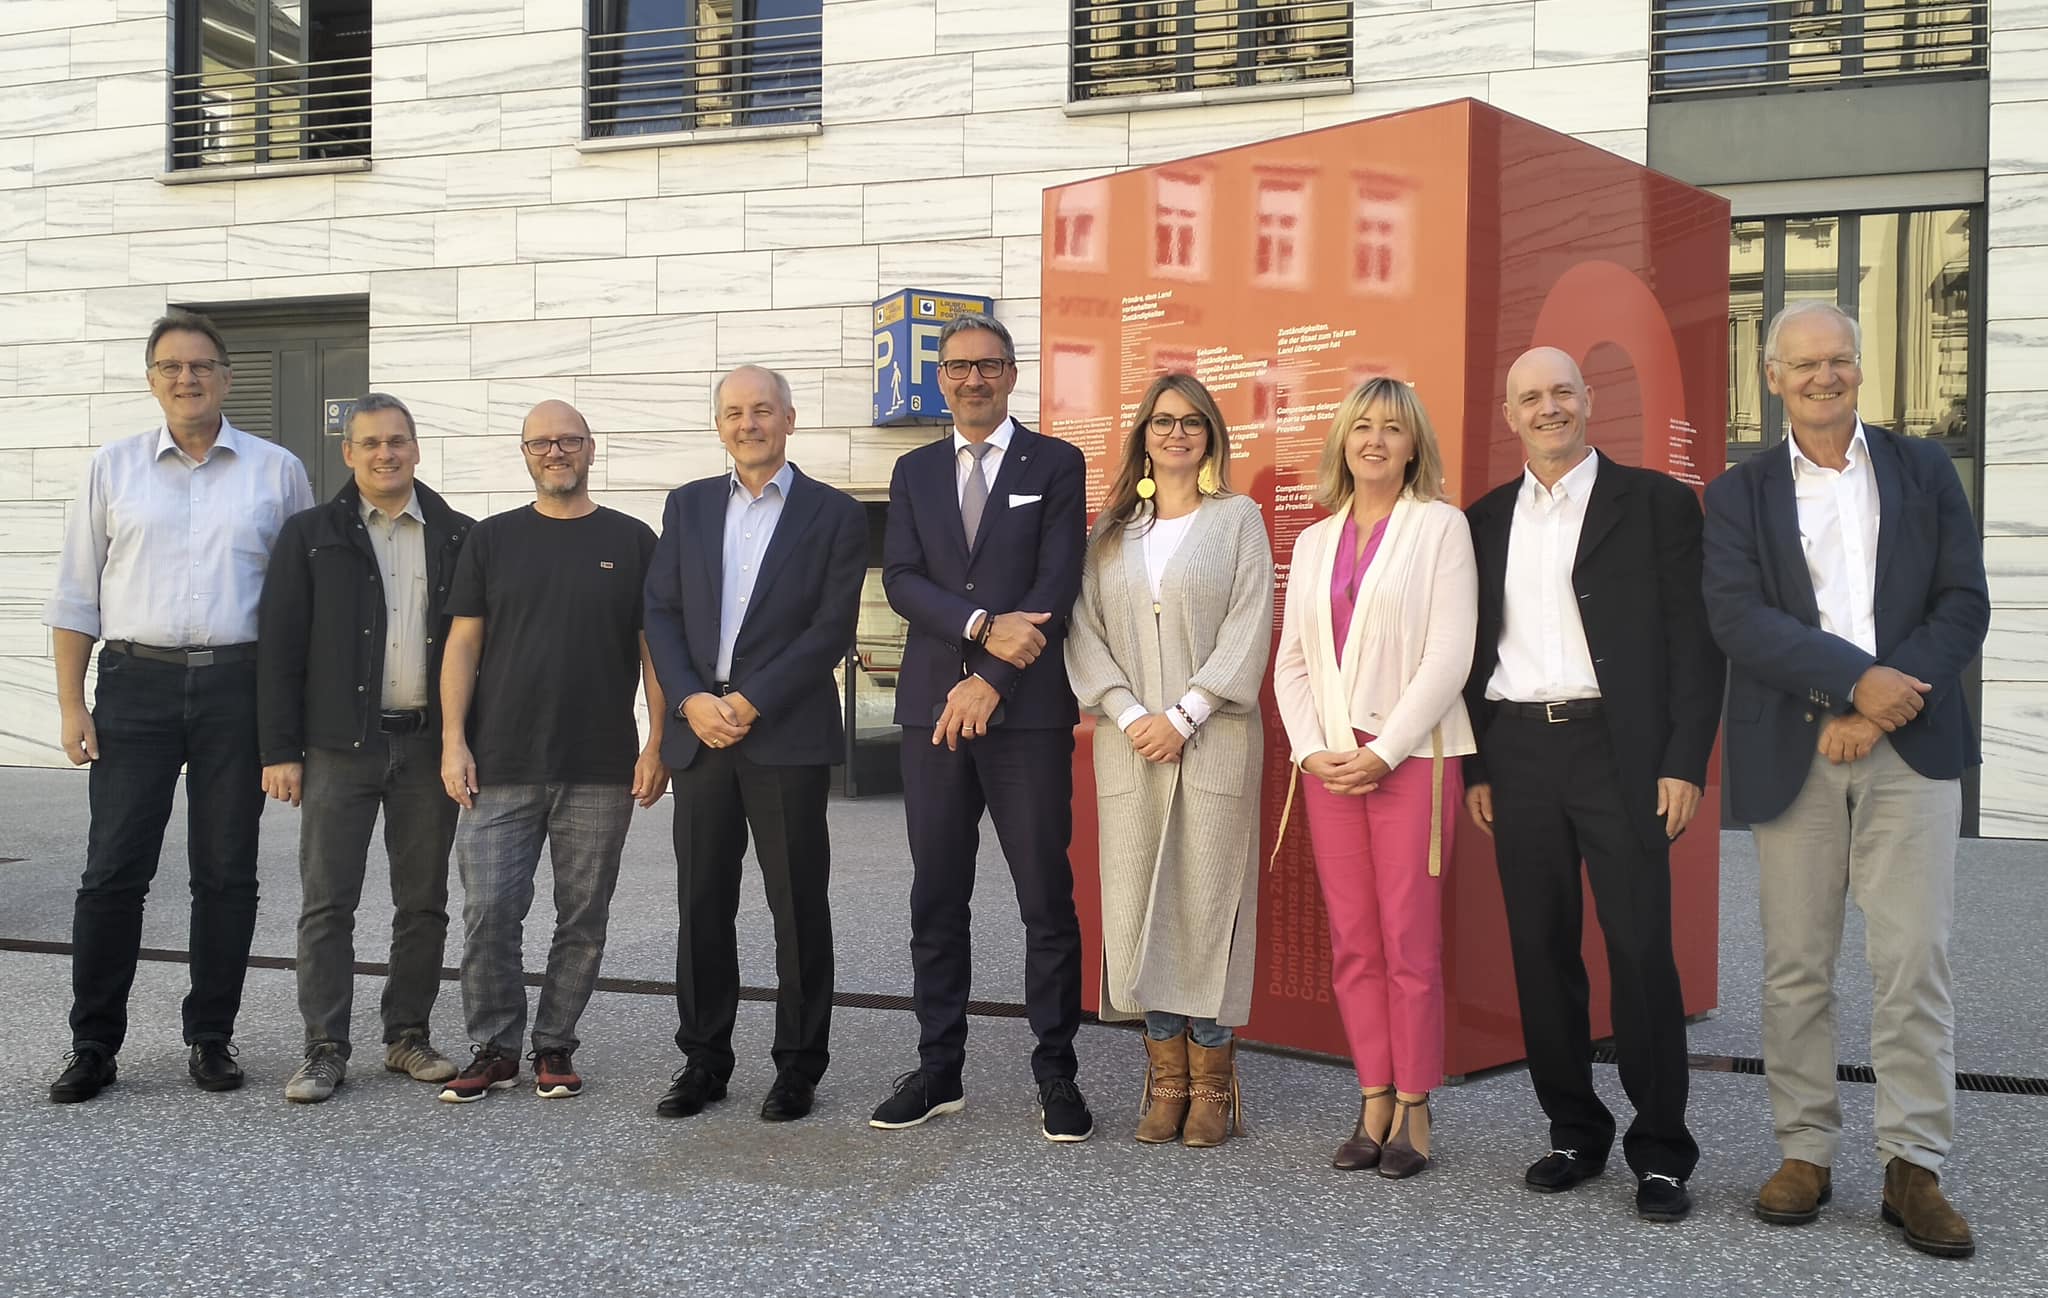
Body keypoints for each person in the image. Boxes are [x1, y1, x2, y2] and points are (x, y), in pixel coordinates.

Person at [1702, 301, 1989, 1259]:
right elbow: (1738, 618)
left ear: (1860, 370)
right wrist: (1848, 683)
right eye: (1804, 365)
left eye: (1840, 361)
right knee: (1794, 968)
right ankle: (1805, 1151)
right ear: (1772, 379)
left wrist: (1876, 706)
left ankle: (1914, 1166)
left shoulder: (1923, 469)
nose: (1825, 377)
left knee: (1914, 962)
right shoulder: (1737, 495)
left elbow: (1963, 602)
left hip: (1908, 744)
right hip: (1797, 750)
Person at [1461, 347, 1722, 1221]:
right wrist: (1477, 765)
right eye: (1529, 397)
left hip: (1622, 752)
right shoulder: (1485, 518)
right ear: (1510, 415)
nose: (1548, 408)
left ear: (1589, 399)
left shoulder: (1654, 503)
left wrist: (1685, 760)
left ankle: (1661, 1151)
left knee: (1642, 949)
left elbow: (1695, 640)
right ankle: (1573, 1128)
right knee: (1540, 951)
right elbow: (1469, 654)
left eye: (1561, 392)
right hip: (1520, 752)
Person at [44, 310, 314, 1103]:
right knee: (112, 872)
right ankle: (93, 1044)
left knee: (226, 873)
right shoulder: (112, 468)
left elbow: (300, 605)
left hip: (241, 686)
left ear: (228, 378)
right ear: (152, 378)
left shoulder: (276, 471)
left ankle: (211, 1037)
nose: (186, 378)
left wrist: (288, 723)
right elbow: (74, 594)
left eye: (201, 365)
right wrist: (71, 705)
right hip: (136, 684)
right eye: (171, 366)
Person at [872, 313, 1094, 1142]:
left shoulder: (1055, 463)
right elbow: (899, 579)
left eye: (989, 366)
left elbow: (1056, 582)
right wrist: (975, 631)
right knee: (936, 895)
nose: (973, 379)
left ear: (1012, 373)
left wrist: (992, 679)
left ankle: (1057, 1073)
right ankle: (939, 1070)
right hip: (933, 712)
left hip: (1026, 714)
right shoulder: (914, 471)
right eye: (959, 367)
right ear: (940, 379)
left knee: (1045, 896)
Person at [643, 366, 866, 1123]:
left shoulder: (834, 513)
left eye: (762, 410)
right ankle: (703, 1061)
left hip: (785, 735)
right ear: (719, 425)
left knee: (796, 905)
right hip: (700, 736)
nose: (749, 423)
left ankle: (798, 1065)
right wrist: (691, 700)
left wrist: (748, 699)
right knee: (702, 904)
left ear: (790, 419)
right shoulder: (690, 505)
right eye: (734, 412)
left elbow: (831, 628)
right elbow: (661, 613)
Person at [435, 400, 669, 1104]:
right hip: (498, 761)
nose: (555, 451)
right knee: (488, 914)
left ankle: (554, 1045)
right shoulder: (491, 539)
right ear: (526, 454)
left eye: (568, 440)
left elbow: (652, 648)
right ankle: (494, 1045)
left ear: (591, 449)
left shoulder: (633, 541)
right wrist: (452, 741)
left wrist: (657, 740)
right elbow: (463, 645)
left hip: (599, 763)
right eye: (541, 442)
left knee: (583, 916)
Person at [1272, 378, 1476, 1179]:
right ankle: (1372, 1097)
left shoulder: (1440, 528)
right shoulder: (1317, 541)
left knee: (1409, 944)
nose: (1376, 441)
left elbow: (1448, 655)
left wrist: (1383, 750)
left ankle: (1416, 1107)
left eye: (1393, 428)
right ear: (1343, 442)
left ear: (1414, 444)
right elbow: (1291, 660)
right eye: (1362, 426)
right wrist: (1311, 747)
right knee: (1354, 942)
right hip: (1329, 766)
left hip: (1411, 764)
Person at [1066, 373, 1273, 1148]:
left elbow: (1251, 623)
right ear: (1143, 435)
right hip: (1130, 749)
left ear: (1212, 435)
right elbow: (1082, 631)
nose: (1176, 433)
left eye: (1191, 422)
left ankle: (1214, 1082)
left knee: (1208, 907)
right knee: (1138, 906)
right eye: (1162, 421)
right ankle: (1165, 1079)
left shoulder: (1238, 521)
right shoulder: (1114, 532)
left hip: (1212, 738)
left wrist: (1185, 714)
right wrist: (1127, 713)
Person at [256, 393, 474, 1103]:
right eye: (371, 443)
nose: (386, 453)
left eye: (398, 441)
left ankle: (407, 1036)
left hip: (425, 748)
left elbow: (480, 649)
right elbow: (280, 649)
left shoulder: (457, 535)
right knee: (327, 904)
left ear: (417, 449)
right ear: (347, 454)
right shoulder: (310, 535)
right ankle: (324, 1049)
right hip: (337, 750)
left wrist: (467, 742)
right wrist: (279, 749)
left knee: (424, 903)